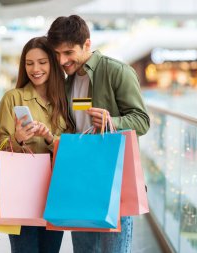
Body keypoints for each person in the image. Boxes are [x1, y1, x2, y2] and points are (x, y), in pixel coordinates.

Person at [47, 15, 150, 253]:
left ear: (87, 44)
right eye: (57, 54)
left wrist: (111, 121)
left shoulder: (117, 71)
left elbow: (142, 121)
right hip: (79, 179)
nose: (62, 60)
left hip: (112, 180)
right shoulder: (66, 82)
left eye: (68, 52)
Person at [0, 36, 73, 253]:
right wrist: (18, 138)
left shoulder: (65, 101)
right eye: (29, 63)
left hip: (55, 189)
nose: (35, 69)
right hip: (21, 190)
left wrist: (50, 138)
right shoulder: (12, 98)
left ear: (52, 63)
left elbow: (72, 147)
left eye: (42, 62)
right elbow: (1, 148)